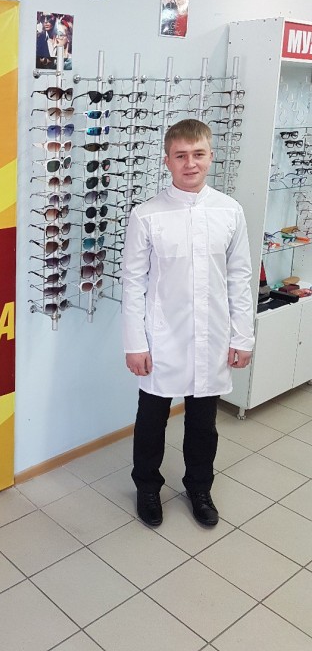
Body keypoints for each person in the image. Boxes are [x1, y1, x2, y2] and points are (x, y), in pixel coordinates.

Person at [122, 119, 254, 528]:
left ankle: (199, 487)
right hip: (161, 337)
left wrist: (243, 336)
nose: (190, 163)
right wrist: (135, 343)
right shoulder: (147, 215)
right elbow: (133, 283)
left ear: (211, 156)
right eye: (181, 156)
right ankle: (147, 486)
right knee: (151, 419)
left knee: (203, 423)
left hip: (211, 336)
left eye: (198, 154)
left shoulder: (229, 211)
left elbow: (240, 277)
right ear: (167, 161)